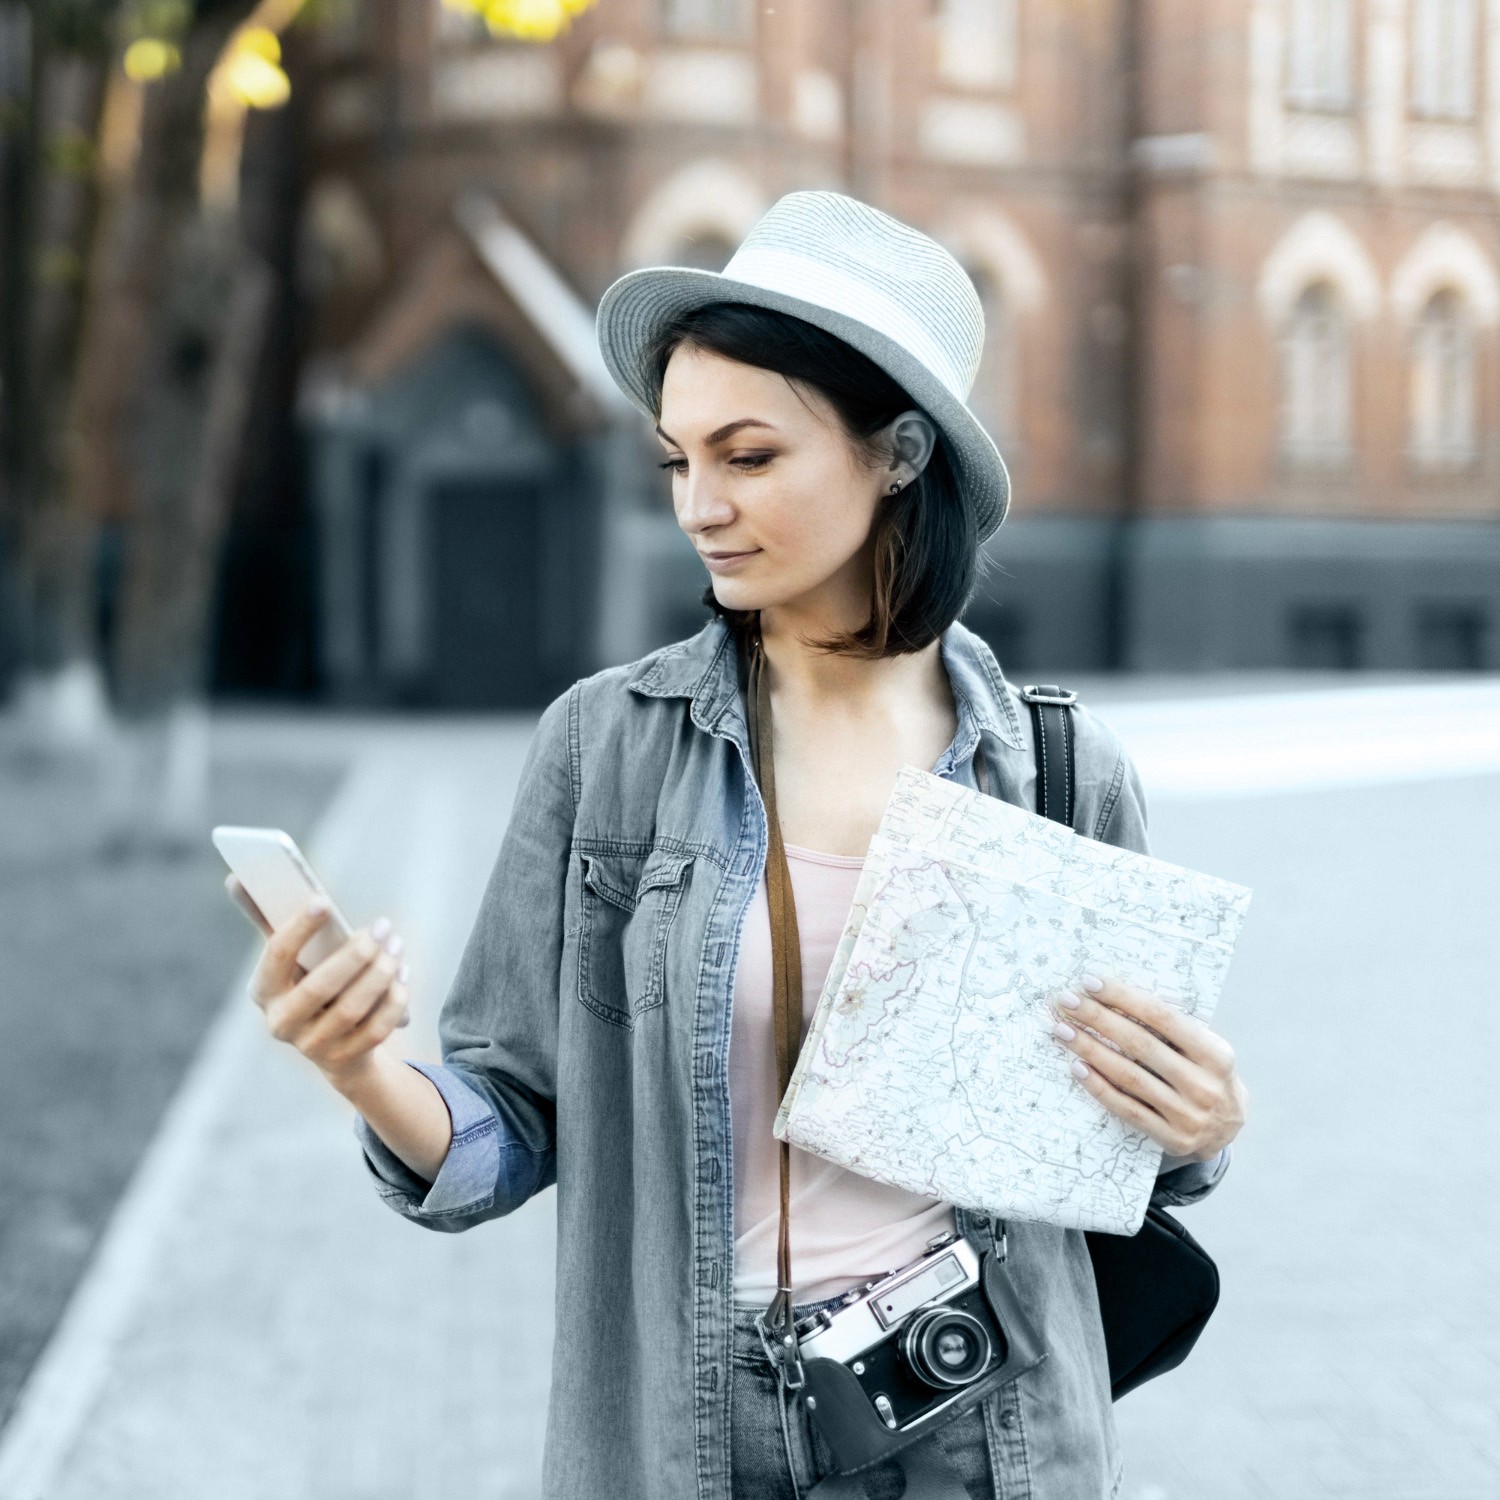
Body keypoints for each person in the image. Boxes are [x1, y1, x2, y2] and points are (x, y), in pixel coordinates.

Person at [231, 191, 1248, 1500]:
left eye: (749, 456)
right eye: (678, 459)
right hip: (681, 1440)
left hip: (983, 1438)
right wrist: (364, 1068)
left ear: (897, 454)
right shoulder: (604, 752)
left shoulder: (1060, 772)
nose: (698, 505)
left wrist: (1204, 1121)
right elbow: (505, 1130)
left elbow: (1127, 1152)